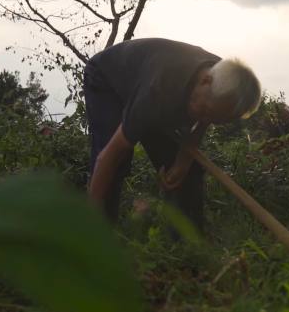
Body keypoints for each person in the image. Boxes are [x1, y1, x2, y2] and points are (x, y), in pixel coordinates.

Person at [83, 38, 261, 229]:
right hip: (107, 79)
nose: (206, 120)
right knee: (116, 163)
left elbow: (205, 121)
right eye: (205, 112)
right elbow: (107, 158)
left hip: (152, 89)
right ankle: (96, 235)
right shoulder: (157, 92)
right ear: (205, 81)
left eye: (216, 119)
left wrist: (182, 162)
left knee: (188, 171)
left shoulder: (225, 79)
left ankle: (187, 245)